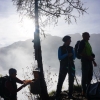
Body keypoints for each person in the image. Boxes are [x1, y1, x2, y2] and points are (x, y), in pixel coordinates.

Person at [55, 35, 75, 100]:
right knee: (61, 80)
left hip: (70, 65)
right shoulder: (60, 48)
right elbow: (59, 57)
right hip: (64, 66)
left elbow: (74, 57)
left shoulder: (71, 48)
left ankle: (70, 95)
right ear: (66, 40)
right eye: (69, 40)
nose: (70, 41)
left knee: (71, 80)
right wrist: (67, 54)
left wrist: (72, 54)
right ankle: (57, 95)